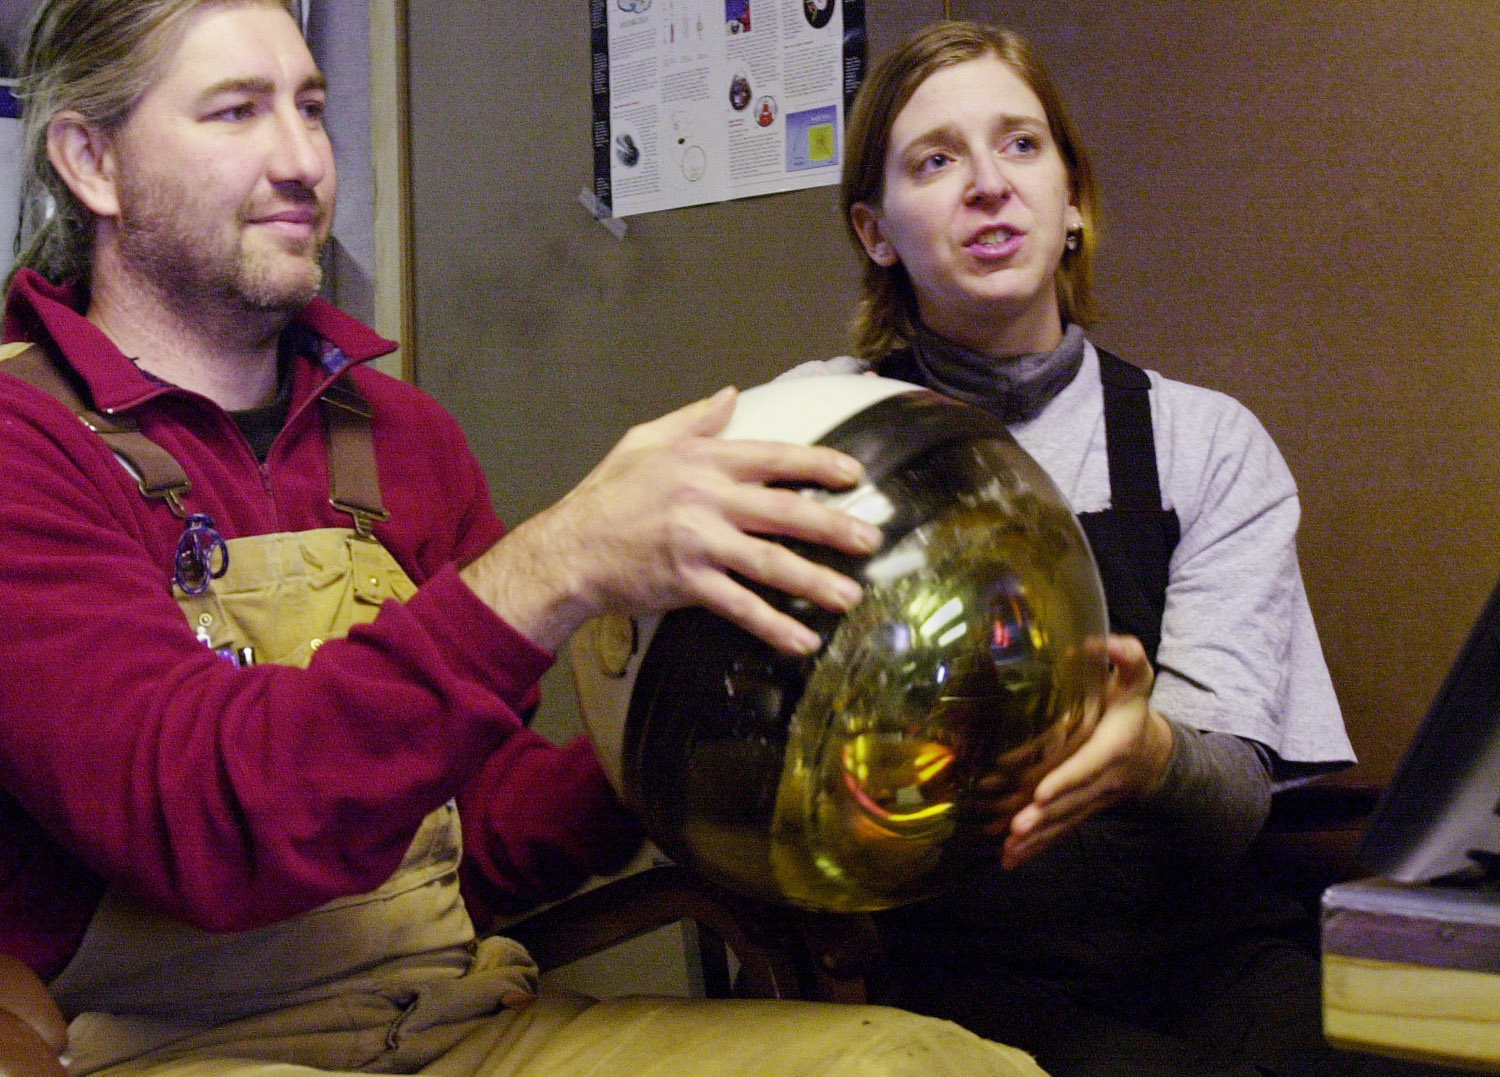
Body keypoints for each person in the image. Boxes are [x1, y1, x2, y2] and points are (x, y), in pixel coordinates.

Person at [0, 2, 1050, 1075]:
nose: (301, 159)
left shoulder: (403, 438)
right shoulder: (22, 447)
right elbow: (209, 823)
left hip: (460, 1022)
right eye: (236, 112)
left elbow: (480, 847)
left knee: (934, 1064)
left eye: (312, 108)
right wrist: (556, 564)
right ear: (92, 162)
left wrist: (701, 717)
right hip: (168, 1051)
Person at [784, 19, 1463, 1077]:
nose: (987, 185)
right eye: (934, 159)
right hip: (959, 977)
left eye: (1020, 145)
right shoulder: (809, 433)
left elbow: (1233, 793)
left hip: (1215, 949)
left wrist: (1147, 751)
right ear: (876, 231)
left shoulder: (1207, 442)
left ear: (1075, 203)